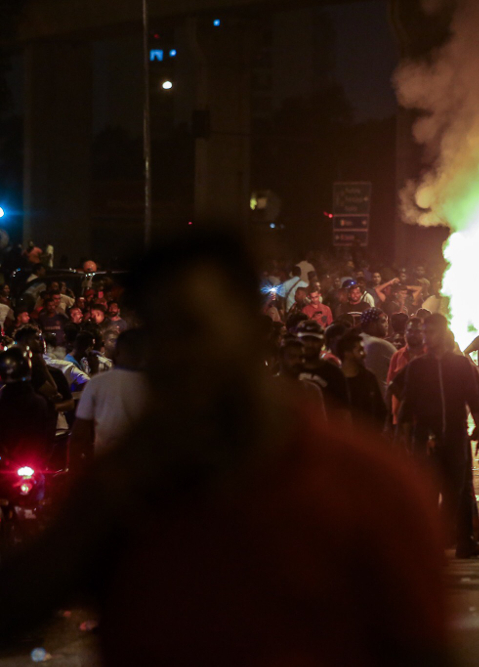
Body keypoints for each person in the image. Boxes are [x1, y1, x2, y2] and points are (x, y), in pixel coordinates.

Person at [0, 233, 452, 665]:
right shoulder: (121, 485)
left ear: (250, 330)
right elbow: (22, 599)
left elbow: (421, 649)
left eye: (195, 328)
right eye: (159, 332)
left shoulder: (367, 483)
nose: (176, 354)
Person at [399, 314, 479, 558]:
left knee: (457, 491)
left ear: (443, 332)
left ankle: (463, 541)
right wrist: (407, 444)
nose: (426, 337)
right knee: (427, 491)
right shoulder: (417, 367)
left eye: (431, 332)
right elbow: (405, 408)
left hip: (455, 437)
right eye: (425, 332)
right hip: (425, 439)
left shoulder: (460, 365)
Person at [69, 329, 150, 466]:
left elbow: (79, 434)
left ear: (117, 353)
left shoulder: (97, 382)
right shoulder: (157, 385)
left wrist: (74, 471)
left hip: (108, 465)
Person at [0, 346, 57, 464]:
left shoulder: (37, 401)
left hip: (31, 460)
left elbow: (46, 435)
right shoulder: (38, 401)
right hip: (11, 461)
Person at [297, 320, 350, 421]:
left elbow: (342, 412)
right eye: (305, 339)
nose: (310, 344)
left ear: (323, 342)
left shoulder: (334, 373)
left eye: (314, 340)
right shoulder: (288, 368)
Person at [337, 332, 388, 427]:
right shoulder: (335, 379)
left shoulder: (368, 377)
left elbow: (380, 409)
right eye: (360, 350)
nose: (364, 354)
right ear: (347, 354)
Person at [359, 309, 397, 401]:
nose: (387, 325)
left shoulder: (358, 340)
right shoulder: (379, 345)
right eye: (383, 321)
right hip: (382, 401)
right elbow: (403, 369)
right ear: (372, 324)